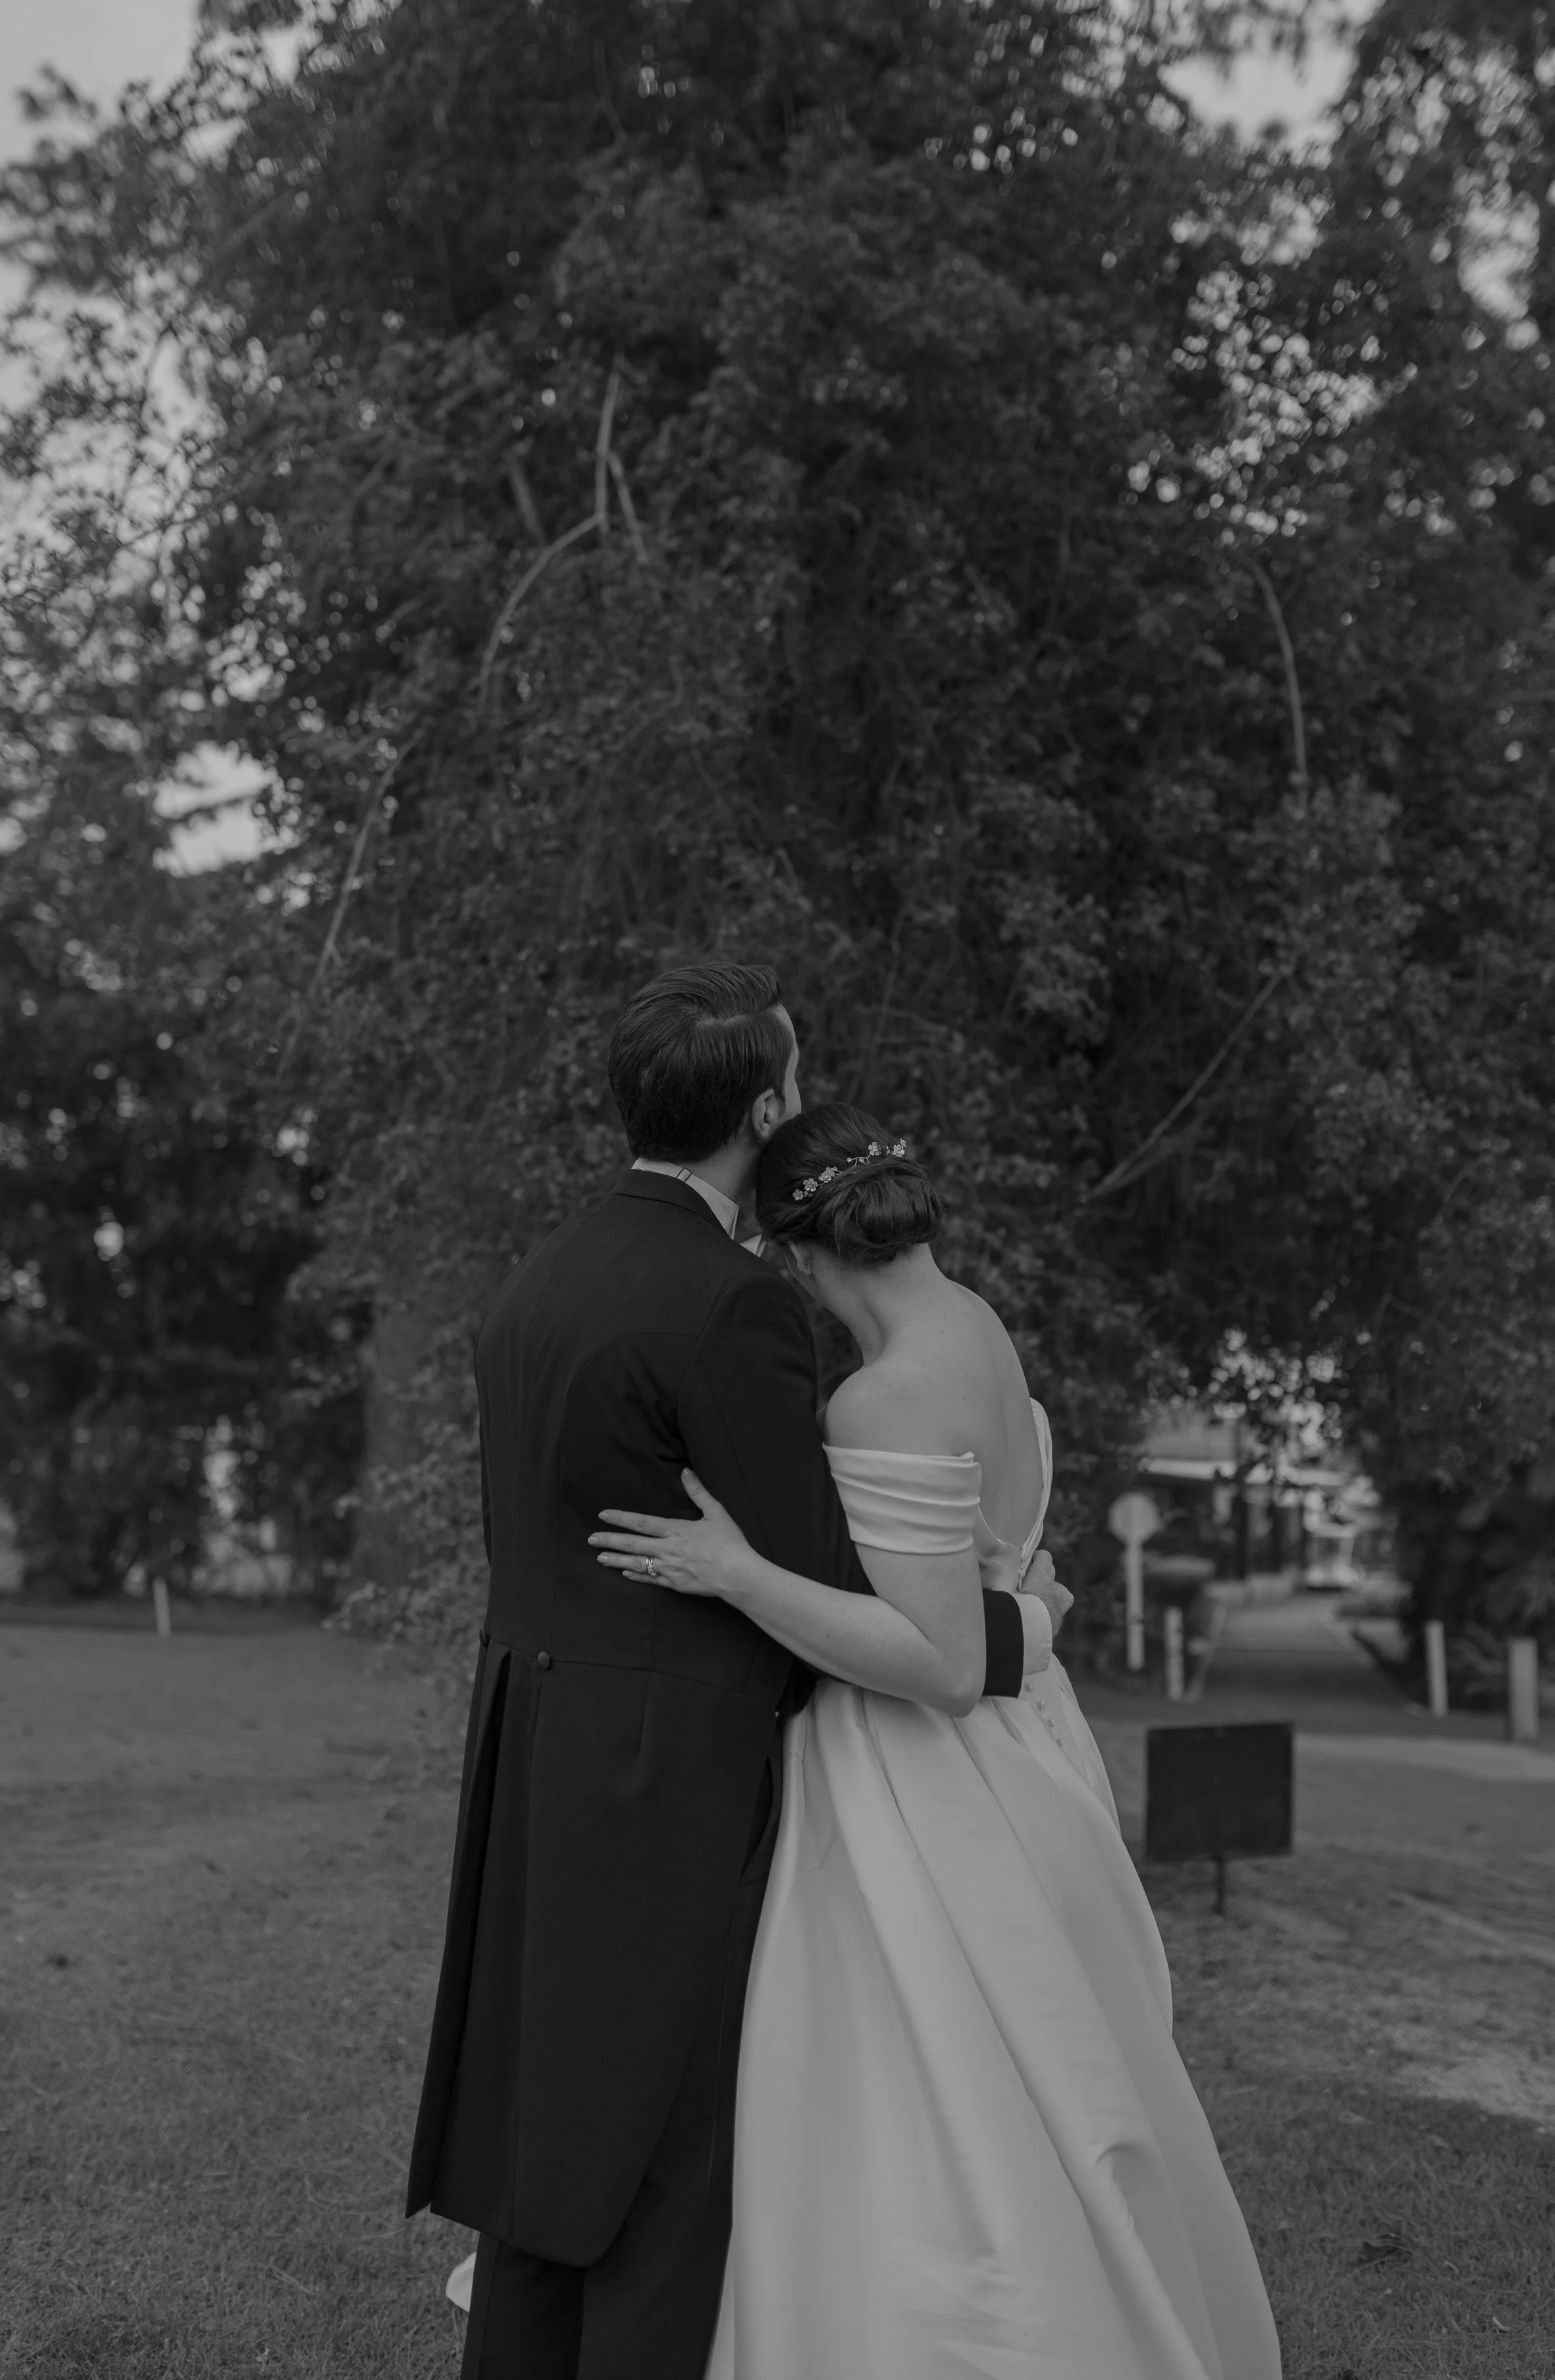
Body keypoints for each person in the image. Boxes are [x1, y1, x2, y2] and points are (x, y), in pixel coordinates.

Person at [405, 968, 1066, 2380]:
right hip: (671, 1773)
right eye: (796, 1074)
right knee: (668, 2149)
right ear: (765, 1110)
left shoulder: (539, 1278)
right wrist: (1023, 1629)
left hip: (536, 1742)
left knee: (552, 2121)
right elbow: (834, 1582)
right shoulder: (733, 1308)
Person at [592, 1103, 1284, 2380]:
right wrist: (1033, 1618)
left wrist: (735, 1571)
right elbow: (996, 1597)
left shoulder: (882, 1399)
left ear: (796, 1251)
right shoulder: (979, 1327)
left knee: (918, 2093)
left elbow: (940, 1665)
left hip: (922, 1788)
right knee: (1034, 2093)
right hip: (1038, 1760)